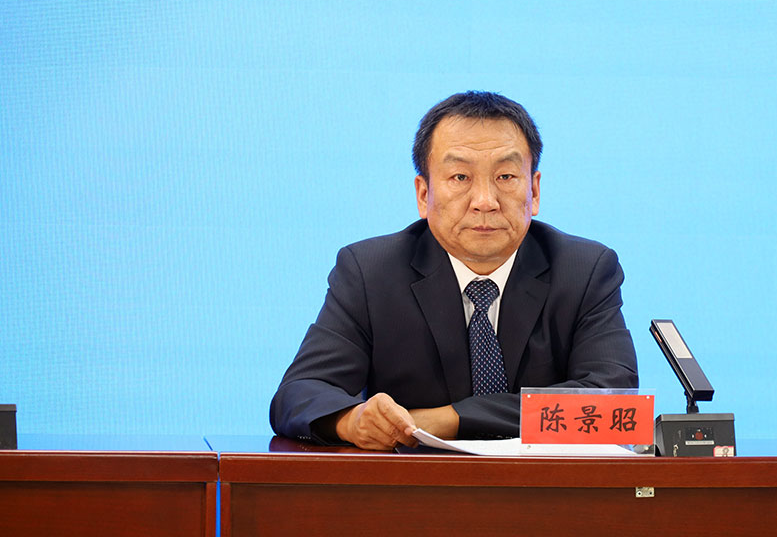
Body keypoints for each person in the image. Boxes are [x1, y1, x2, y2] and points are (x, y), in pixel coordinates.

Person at [270, 91, 638, 450]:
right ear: (423, 194)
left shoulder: (584, 271)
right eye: (460, 177)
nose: (485, 202)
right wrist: (352, 421)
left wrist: (448, 419)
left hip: (545, 487)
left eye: (506, 177)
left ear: (535, 191)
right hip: (413, 487)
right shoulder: (370, 273)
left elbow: (613, 403)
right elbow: (299, 394)